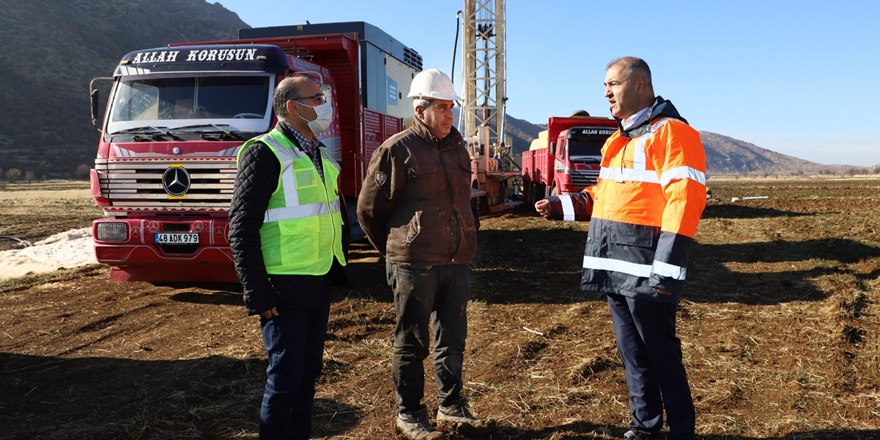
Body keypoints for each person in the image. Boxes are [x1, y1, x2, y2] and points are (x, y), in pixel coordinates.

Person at [535, 57, 707, 440]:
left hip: (647, 267)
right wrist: (563, 205)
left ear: (641, 84)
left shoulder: (673, 135)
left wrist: (667, 267)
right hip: (614, 265)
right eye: (604, 86)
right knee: (633, 356)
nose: (606, 92)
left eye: (613, 83)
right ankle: (644, 426)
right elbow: (607, 194)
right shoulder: (618, 139)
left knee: (661, 354)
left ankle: (681, 431)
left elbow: (685, 200)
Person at [357, 68, 495, 440]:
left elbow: (463, 202)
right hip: (413, 265)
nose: (450, 115)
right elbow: (369, 211)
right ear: (420, 110)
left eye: (452, 107)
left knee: (453, 338)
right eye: (443, 107)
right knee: (412, 341)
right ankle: (410, 414)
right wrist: (396, 250)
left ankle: (451, 405)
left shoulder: (457, 147)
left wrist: (466, 236)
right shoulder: (396, 150)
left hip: (456, 261)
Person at [228, 73, 349, 440]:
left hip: (317, 279)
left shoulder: (318, 152)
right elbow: (240, 228)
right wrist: (257, 293)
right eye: (317, 98)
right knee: (284, 380)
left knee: (308, 374)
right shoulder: (264, 152)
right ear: (293, 107)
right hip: (282, 287)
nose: (325, 104)